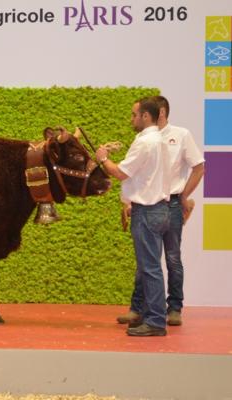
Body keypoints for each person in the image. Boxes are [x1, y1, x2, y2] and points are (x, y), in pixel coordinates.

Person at [116, 96, 205, 327]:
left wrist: (184, 196)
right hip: (149, 204)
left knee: (171, 258)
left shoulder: (180, 135)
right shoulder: (144, 137)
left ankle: (174, 308)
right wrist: (128, 201)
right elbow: (139, 177)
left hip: (171, 203)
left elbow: (199, 167)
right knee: (147, 261)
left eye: (136, 114)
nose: (133, 118)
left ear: (159, 112)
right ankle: (138, 308)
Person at [96, 97, 171, 336]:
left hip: (147, 212)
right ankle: (150, 317)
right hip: (159, 208)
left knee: (149, 269)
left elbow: (120, 173)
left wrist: (103, 158)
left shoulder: (145, 142)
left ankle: (156, 322)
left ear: (145, 116)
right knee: (150, 268)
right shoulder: (160, 140)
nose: (131, 119)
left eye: (133, 115)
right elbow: (148, 177)